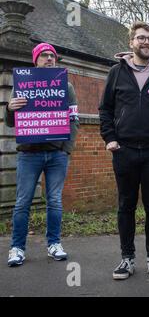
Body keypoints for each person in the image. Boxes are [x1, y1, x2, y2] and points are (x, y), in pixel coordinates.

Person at [99, 21, 149, 280]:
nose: (146, 42)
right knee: (126, 205)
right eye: (141, 38)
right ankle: (127, 258)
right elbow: (105, 110)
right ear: (131, 42)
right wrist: (110, 138)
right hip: (124, 151)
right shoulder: (116, 72)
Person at [5, 43, 79, 267]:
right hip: (29, 154)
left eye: (52, 56)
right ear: (35, 60)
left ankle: (54, 244)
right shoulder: (22, 86)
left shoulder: (66, 87)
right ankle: (17, 248)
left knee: (54, 201)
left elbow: (73, 120)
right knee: (22, 202)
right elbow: (10, 123)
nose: (49, 58)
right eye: (44, 55)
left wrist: (66, 150)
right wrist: (9, 108)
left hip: (57, 155)